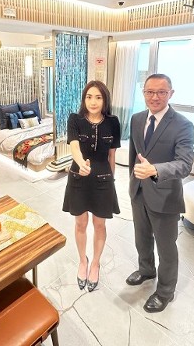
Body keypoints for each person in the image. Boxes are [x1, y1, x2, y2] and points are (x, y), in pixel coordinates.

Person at [126, 73, 194, 312]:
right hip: (138, 191)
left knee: (166, 247)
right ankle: (146, 270)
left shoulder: (182, 125)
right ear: (143, 93)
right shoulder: (136, 119)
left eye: (161, 92)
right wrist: (133, 180)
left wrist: (155, 170)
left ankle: (165, 291)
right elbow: (134, 154)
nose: (155, 97)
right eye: (149, 92)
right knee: (141, 237)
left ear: (171, 94)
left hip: (165, 197)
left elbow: (185, 164)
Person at [63, 80, 121, 292]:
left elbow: (112, 155)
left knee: (99, 225)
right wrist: (81, 164)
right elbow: (74, 147)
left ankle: (95, 263)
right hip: (79, 177)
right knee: (80, 223)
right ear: (84, 99)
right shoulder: (75, 119)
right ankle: (82, 261)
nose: (93, 101)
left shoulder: (113, 122)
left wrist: (111, 181)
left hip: (103, 179)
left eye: (98, 97)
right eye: (89, 97)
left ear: (105, 100)